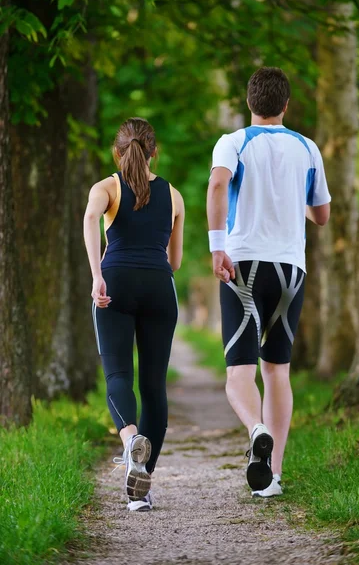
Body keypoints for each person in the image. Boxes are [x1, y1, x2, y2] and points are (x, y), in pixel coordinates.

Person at [207, 67, 331, 498]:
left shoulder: (234, 142)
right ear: (286, 104)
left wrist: (216, 245)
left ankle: (255, 428)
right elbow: (322, 214)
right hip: (290, 268)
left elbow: (218, 183)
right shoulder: (308, 147)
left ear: (249, 102)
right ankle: (273, 477)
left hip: (242, 264)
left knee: (239, 372)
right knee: (277, 370)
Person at [84, 117, 184, 512]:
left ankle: (129, 444)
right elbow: (174, 260)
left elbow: (91, 218)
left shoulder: (106, 188)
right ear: (153, 151)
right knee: (154, 387)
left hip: (115, 284)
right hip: (160, 287)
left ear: (117, 151)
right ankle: (141, 483)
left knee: (118, 376)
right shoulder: (174, 196)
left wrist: (96, 275)